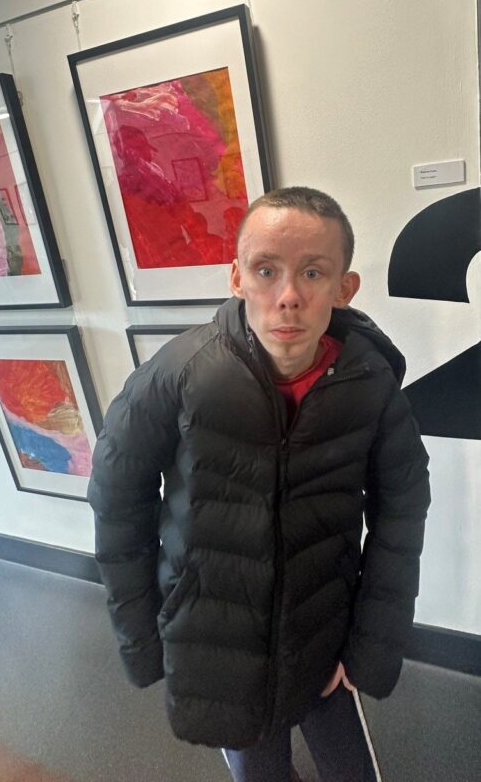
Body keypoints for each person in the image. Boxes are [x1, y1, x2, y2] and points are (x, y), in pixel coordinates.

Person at [89, 187, 431, 782]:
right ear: (237, 277)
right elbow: (118, 501)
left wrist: (371, 645)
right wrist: (145, 635)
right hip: (215, 644)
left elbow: (403, 511)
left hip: (324, 634)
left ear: (344, 288)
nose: (289, 297)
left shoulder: (370, 384)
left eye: (313, 273)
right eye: (266, 271)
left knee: (351, 771)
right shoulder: (179, 375)